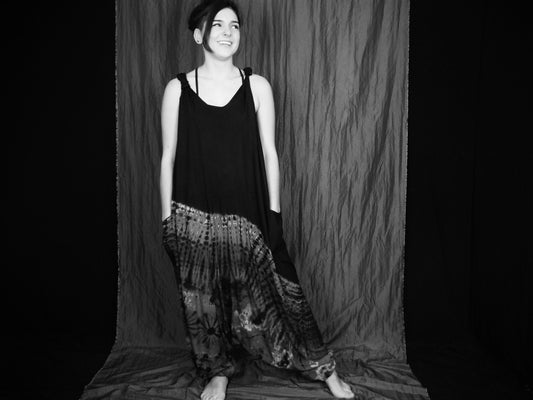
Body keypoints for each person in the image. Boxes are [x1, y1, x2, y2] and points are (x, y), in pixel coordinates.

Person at [160, 1, 355, 399]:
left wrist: (274, 213)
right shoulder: (177, 90)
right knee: (204, 301)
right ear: (198, 35)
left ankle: (325, 369)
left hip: (252, 216)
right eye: (217, 24)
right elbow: (168, 157)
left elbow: (270, 153)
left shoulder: (257, 86)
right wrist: (168, 220)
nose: (227, 32)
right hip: (194, 215)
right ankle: (218, 372)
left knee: (285, 293)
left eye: (234, 25)